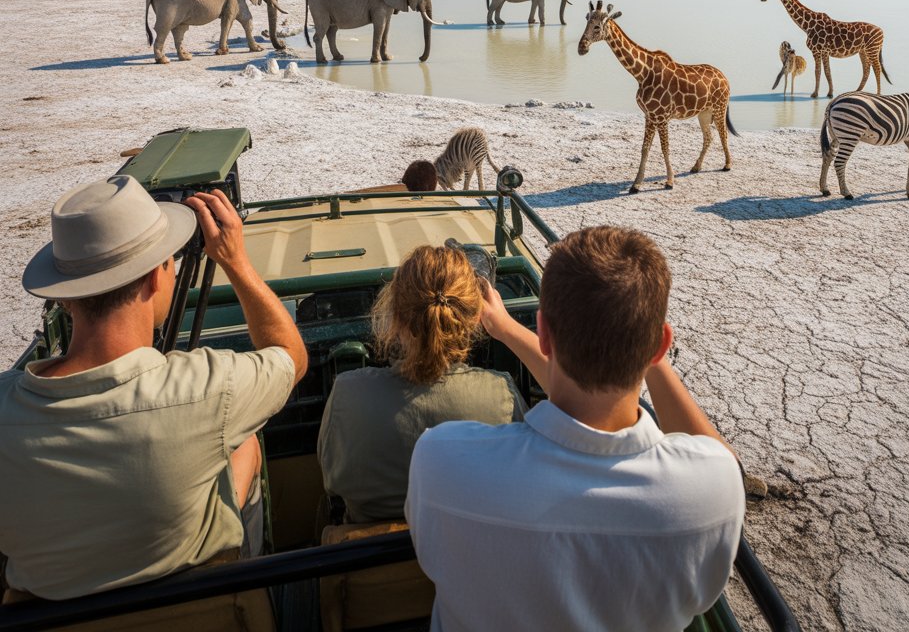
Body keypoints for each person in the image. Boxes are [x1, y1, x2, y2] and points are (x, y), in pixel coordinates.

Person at [405, 225, 745, 632]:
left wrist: (507, 327)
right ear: (659, 346)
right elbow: (717, 455)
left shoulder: (441, 458)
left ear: (543, 333)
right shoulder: (712, 488)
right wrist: (649, 349)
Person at [0, 175, 308, 601]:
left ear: (66, 296)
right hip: (200, 611)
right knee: (245, 444)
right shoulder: (208, 389)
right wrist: (236, 261)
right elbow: (290, 355)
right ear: (154, 279)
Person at [318, 243, 524, 523]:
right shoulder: (501, 395)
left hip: (369, 559)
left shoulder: (347, 395)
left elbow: (330, 480)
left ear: (396, 318)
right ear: (476, 319)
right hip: (472, 558)